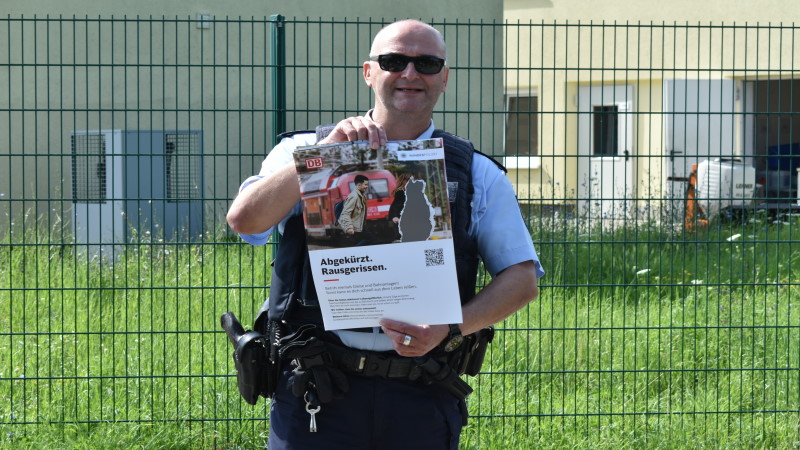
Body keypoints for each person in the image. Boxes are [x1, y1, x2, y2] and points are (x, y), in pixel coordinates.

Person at [226, 19, 545, 450]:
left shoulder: (475, 172)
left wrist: (451, 328)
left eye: (427, 63)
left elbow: (522, 279)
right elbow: (244, 221)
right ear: (369, 72)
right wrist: (322, 159)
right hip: (315, 389)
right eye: (395, 60)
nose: (411, 74)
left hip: (422, 392)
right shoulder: (302, 152)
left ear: (444, 78)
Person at [387, 172, 412, 241]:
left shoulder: (409, 191)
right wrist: (395, 216)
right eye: (407, 180)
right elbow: (396, 205)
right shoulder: (400, 192)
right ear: (403, 181)